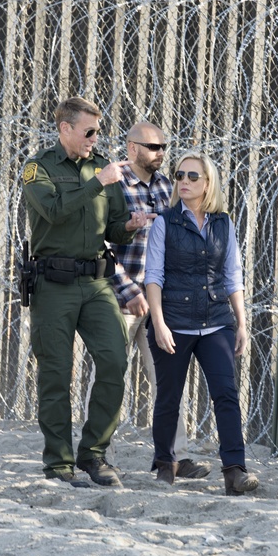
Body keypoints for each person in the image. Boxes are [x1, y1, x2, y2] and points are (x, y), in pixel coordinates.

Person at [22, 96, 152, 487]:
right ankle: (59, 463)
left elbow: (110, 228)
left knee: (114, 361)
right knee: (56, 375)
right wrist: (99, 182)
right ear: (65, 129)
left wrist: (128, 225)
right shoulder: (38, 169)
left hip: (96, 283)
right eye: (88, 131)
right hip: (53, 284)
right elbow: (55, 211)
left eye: (98, 131)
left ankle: (94, 454)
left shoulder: (101, 168)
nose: (95, 138)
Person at [85, 121, 211, 480]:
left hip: (158, 302)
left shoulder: (169, 187)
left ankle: (173, 456)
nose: (159, 154)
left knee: (167, 378)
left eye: (163, 148)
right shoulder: (114, 184)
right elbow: (98, 243)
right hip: (118, 299)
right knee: (109, 377)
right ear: (132, 148)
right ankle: (96, 454)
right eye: (153, 147)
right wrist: (128, 290)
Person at [144, 152, 259, 495]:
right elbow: (153, 277)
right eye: (180, 175)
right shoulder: (165, 222)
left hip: (216, 321)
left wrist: (241, 323)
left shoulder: (223, 222)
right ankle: (166, 464)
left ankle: (234, 471)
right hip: (174, 322)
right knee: (169, 396)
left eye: (193, 176)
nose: (184, 181)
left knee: (226, 394)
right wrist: (159, 323)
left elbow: (233, 274)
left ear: (208, 183)